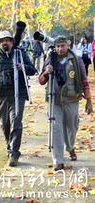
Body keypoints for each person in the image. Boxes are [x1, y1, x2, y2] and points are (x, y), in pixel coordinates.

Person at [39, 36, 93, 171]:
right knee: (56, 128)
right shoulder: (50, 59)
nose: (60, 48)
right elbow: (41, 80)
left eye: (62, 46)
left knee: (71, 127)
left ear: (67, 45)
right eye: (57, 46)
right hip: (55, 100)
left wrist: (89, 101)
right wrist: (46, 72)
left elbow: (84, 81)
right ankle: (58, 160)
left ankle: (70, 147)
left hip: (72, 99)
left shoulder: (76, 60)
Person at [0, 31, 36, 167]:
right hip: (0, 94)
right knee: (5, 124)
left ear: (12, 42)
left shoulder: (20, 54)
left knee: (16, 121)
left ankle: (14, 153)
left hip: (18, 94)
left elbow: (33, 70)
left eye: (7, 40)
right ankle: (10, 146)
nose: (4, 43)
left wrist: (22, 67)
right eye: (2, 41)